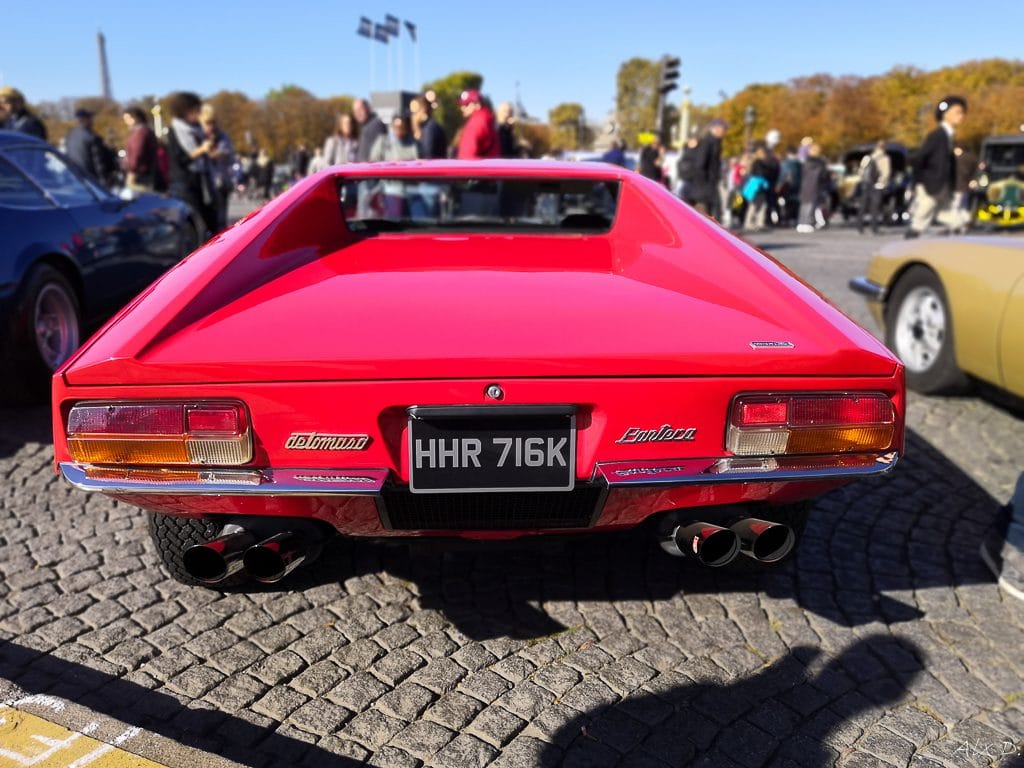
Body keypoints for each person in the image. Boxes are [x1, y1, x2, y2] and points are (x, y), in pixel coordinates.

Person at [906, 95, 967, 238]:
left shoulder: (948, 136)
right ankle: (907, 246)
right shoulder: (938, 135)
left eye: (963, 112)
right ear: (945, 114)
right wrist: (922, 181)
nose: (961, 116)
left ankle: (959, 237)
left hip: (941, 187)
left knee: (948, 216)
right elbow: (919, 158)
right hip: (932, 186)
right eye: (958, 112)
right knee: (922, 218)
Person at [165, 91, 218, 235]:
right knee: (196, 224)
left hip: (201, 182)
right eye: (196, 111)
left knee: (212, 221)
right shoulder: (175, 131)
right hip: (185, 185)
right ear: (186, 111)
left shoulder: (197, 130)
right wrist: (201, 150)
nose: (198, 114)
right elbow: (179, 159)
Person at [369, 114, 419, 217]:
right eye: (396, 127)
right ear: (392, 127)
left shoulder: (413, 143)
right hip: (391, 188)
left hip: (412, 189)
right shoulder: (383, 141)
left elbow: (419, 162)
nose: (399, 130)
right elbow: (373, 163)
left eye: (402, 127)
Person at [199, 104, 236, 233]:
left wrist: (215, 152)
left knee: (220, 220)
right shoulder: (199, 137)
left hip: (221, 182)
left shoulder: (222, 136)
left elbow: (229, 154)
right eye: (207, 123)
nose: (210, 127)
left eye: (212, 123)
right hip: (205, 184)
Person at [65, 108, 117, 186]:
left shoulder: (70, 135)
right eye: (90, 118)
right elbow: (98, 161)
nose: (92, 121)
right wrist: (103, 179)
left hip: (76, 177)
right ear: (85, 119)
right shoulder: (91, 137)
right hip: (91, 179)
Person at [691, 119, 726, 220]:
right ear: (715, 129)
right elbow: (700, 164)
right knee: (709, 212)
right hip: (705, 185)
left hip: (709, 184)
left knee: (712, 212)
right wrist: (705, 184)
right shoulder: (707, 142)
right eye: (723, 129)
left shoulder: (715, 142)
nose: (724, 132)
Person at [122, 106, 162, 191]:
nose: (125, 121)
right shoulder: (144, 130)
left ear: (134, 118)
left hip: (140, 174)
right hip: (146, 172)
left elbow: (137, 153)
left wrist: (132, 171)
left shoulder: (140, 132)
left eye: (127, 118)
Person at [857, 141, 891, 234]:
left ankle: (860, 226)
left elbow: (860, 171)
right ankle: (874, 228)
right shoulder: (885, 158)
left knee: (863, 206)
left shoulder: (867, 158)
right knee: (875, 208)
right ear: (884, 148)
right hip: (877, 185)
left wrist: (864, 181)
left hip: (866, 185)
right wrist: (882, 182)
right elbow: (886, 173)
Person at [455, 89, 499, 159]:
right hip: (487, 166)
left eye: (466, 104)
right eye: (462, 105)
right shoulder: (486, 118)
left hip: (475, 168)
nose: (462, 108)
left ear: (477, 104)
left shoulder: (477, 121)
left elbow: (467, 156)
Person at [797, 143, 828, 233]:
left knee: (804, 205)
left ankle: (801, 223)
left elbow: (802, 174)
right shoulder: (820, 163)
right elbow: (823, 175)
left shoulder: (806, 162)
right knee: (811, 206)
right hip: (815, 185)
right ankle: (807, 223)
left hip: (805, 185)